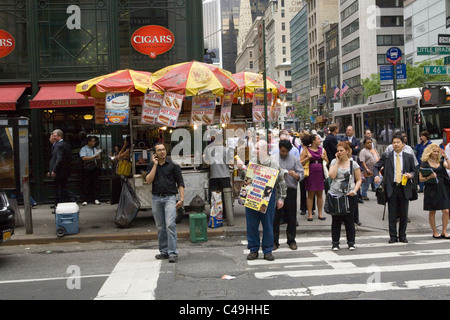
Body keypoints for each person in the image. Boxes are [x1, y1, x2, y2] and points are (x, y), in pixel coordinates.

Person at [237, 139, 287, 261]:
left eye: (258, 148)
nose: (255, 151)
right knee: (252, 224)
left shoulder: (273, 164)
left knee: (268, 225)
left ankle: (267, 250)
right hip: (253, 195)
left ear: (264, 150)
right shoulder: (252, 162)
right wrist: (241, 169)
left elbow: (281, 182)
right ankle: (253, 249)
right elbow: (246, 179)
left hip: (267, 197)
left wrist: (281, 198)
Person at [374, 134, 417, 243]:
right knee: (392, 213)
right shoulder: (387, 156)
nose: (396, 144)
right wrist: (376, 176)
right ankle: (393, 236)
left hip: (404, 187)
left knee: (404, 213)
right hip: (391, 187)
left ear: (403, 144)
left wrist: (410, 175)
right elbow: (376, 166)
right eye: (394, 142)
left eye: (398, 142)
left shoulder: (409, 156)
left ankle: (402, 235)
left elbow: (415, 171)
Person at [146, 142, 185, 263]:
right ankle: (164, 251)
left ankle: (173, 252)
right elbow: (148, 180)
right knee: (160, 226)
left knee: (170, 225)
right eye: (159, 150)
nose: (162, 152)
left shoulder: (173, 165)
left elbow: (180, 183)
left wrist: (182, 199)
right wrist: (155, 165)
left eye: (163, 149)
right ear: (155, 153)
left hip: (170, 198)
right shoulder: (152, 165)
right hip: (156, 198)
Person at [328, 141, 362, 251]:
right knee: (336, 220)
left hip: (349, 194)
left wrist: (355, 191)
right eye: (338, 151)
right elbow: (331, 175)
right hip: (335, 194)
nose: (339, 153)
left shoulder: (353, 164)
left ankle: (351, 242)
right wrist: (337, 162)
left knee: (349, 219)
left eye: (341, 151)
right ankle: (335, 242)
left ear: (347, 151)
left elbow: (359, 179)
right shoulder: (334, 162)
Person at [272, 139, 304, 251]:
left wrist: (295, 175)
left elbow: (301, 174)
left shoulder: (294, 160)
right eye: (282, 151)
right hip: (277, 190)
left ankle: (291, 240)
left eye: (286, 151)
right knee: (275, 217)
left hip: (290, 189)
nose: (284, 153)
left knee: (291, 216)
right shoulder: (274, 159)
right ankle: (274, 241)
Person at [418, 144, 450, 239]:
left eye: (437, 151)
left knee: (446, 210)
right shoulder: (424, 163)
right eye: (434, 151)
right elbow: (421, 179)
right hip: (431, 188)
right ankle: (435, 231)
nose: (436, 153)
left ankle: (444, 231)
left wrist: (446, 157)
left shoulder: (440, 161)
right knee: (432, 211)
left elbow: (449, 167)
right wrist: (430, 177)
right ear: (429, 152)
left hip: (442, 187)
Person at [203, 130, 234, 218]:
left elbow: (207, 163)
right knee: (226, 197)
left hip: (214, 177)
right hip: (225, 176)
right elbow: (231, 163)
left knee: (215, 197)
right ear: (222, 140)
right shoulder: (227, 150)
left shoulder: (209, 150)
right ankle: (225, 215)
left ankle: (216, 215)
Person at [300, 133, 328, 221]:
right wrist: (307, 158)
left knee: (320, 194)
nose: (320, 141)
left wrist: (324, 158)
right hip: (310, 174)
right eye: (318, 139)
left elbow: (327, 161)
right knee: (310, 194)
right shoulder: (306, 150)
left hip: (320, 173)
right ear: (313, 141)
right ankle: (310, 214)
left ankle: (320, 214)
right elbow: (300, 163)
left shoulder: (322, 150)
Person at [49, 129, 72, 206]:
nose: (53, 137)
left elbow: (59, 159)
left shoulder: (60, 145)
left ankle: (60, 205)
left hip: (59, 172)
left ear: (60, 136)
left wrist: (54, 170)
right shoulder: (65, 144)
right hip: (64, 171)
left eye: (54, 136)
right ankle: (60, 204)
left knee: (59, 189)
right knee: (62, 188)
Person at [79, 136, 101, 206]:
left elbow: (97, 158)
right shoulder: (84, 149)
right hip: (87, 168)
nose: (94, 142)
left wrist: (98, 157)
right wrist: (94, 157)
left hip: (94, 167)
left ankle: (96, 198)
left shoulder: (94, 149)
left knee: (95, 183)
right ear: (89, 142)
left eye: (94, 141)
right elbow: (83, 158)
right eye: (93, 141)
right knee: (86, 183)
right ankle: (85, 199)